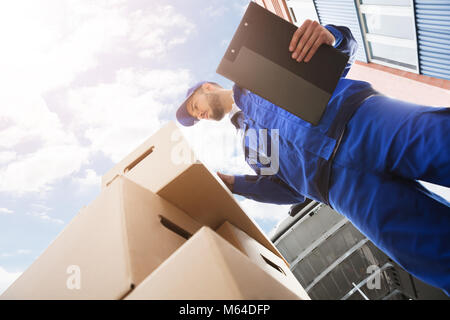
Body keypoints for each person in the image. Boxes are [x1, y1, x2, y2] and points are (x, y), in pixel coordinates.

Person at [175, 20, 450, 296]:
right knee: (430, 251)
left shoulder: (256, 70)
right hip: (341, 189)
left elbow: (341, 54)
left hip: (363, 123)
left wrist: (333, 36)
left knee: (442, 144)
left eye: (193, 106)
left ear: (207, 87)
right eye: (195, 117)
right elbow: (289, 192)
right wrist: (235, 184)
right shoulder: (249, 145)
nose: (198, 115)